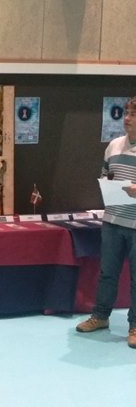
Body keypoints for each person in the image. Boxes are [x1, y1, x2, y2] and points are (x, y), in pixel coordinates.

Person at [76, 96, 136, 348]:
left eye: (133, 114)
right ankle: (100, 316)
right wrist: (109, 186)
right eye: (126, 113)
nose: (127, 118)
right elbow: (105, 175)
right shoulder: (113, 146)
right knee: (107, 273)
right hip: (112, 221)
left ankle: (135, 326)